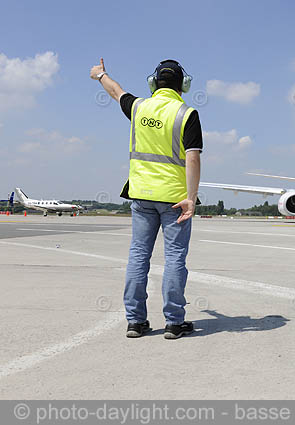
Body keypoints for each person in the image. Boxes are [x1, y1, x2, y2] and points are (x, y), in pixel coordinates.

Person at [90, 58, 202, 339]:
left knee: (138, 256)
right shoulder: (186, 114)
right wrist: (191, 197)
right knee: (175, 258)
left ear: (154, 83)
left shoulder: (139, 107)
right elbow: (192, 157)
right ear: (183, 85)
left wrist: (101, 74)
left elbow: (117, 92)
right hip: (175, 199)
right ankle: (175, 322)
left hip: (141, 196)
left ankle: (135, 321)